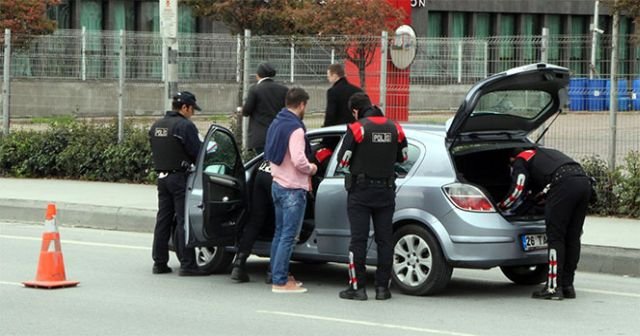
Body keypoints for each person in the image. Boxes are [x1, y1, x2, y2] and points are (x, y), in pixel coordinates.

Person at [336, 92, 408, 301]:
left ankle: (357, 288)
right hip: (386, 191)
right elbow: (403, 157)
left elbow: (343, 161)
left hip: (361, 192)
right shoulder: (395, 127)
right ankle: (382, 289)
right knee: (385, 240)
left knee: (358, 240)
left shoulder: (358, 128)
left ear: (355, 111)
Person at [498, 147, 592, 300]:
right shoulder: (543, 154)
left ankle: (553, 288)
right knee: (572, 237)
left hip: (564, 184)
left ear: (511, 160)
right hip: (583, 181)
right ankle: (567, 286)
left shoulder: (521, 159)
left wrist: (502, 206)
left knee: (556, 237)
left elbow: (518, 189)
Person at [264, 87, 317, 293]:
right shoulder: (295, 129)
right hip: (293, 188)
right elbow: (298, 159)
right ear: (302, 104)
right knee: (288, 236)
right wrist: (311, 168)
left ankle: (277, 273)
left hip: (277, 184)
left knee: (279, 233)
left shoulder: (277, 122)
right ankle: (280, 281)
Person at [148, 91, 207, 276]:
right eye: (192, 109)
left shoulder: (157, 125)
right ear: (184, 107)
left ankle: (159, 262)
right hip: (179, 179)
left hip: (162, 178)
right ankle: (188, 264)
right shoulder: (184, 126)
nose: (193, 113)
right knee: (184, 221)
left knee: (163, 220)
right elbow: (198, 152)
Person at [242, 63, 289, 154]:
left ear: (258, 75)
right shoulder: (283, 89)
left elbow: (246, 111)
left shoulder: (254, 89)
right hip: (278, 134)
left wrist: (241, 110)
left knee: (262, 163)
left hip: (260, 137)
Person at [323, 63, 363, 127]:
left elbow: (330, 115)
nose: (328, 78)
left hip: (338, 130)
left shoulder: (332, 92)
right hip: (355, 129)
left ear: (335, 75)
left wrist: (325, 131)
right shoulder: (357, 90)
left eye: (329, 76)